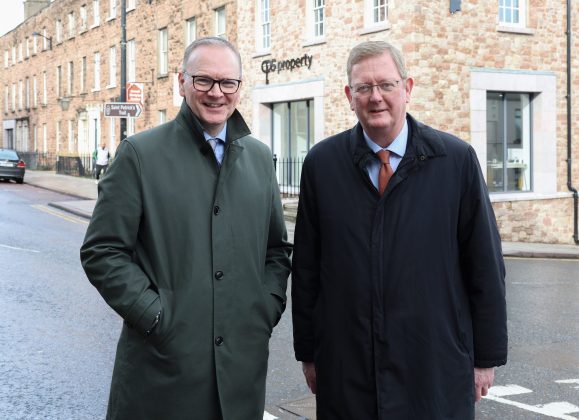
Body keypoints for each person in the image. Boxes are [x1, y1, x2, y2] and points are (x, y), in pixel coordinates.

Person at [291, 41, 507, 419]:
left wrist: (485, 358)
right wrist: (309, 353)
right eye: (363, 87)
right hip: (347, 370)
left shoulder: (455, 162)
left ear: (407, 88)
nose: (376, 97)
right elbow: (308, 270)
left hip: (434, 369)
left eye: (386, 85)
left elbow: (485, 266)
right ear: (348, 95)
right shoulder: (321, 165)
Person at [80, 37, 292, 420]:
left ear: (239, 87)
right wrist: (156, 315)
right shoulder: (139, 155)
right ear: (181, 82)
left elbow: (276, 250)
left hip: (240, 373)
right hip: (162, 376)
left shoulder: (260, 159)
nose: (217, 93)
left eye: (228, 83)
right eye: (203, 81)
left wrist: (267, 307)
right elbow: (102, 251)